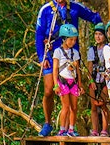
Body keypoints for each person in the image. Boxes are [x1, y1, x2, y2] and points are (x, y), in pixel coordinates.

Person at [35, 0, 102, 136]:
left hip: (71, 57)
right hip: (52, 55)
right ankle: (48, 123)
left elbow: (93, 17)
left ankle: (70, 127)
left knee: (73, 95)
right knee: (49, 90)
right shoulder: (46, 10)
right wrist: (42, 57)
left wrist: (104, 32)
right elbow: (39, 34)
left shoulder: (75, 8)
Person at [52, 24, 82, 137]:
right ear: (64, 39)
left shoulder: (75, 53)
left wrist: (80, 84)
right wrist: (56, 85)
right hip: (63, 81)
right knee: (66, 106)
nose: (73, 42)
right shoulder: (58, 52)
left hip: (73, 81)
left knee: (74, 107)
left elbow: (78, 70)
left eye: (74, 40)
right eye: (71, 39)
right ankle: (62, 129)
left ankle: (71, 129)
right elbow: (55, 69)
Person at [86, 23, 110, 137]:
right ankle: (95, 130)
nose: (98, 37)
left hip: (105, 80)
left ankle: (104, 130)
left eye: (100, 34)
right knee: (94, 106)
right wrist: (91, 81)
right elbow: (90, 66)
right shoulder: (92, 50)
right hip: (94, 80)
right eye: (96, 34)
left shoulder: (108, 48)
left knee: (103, 104)